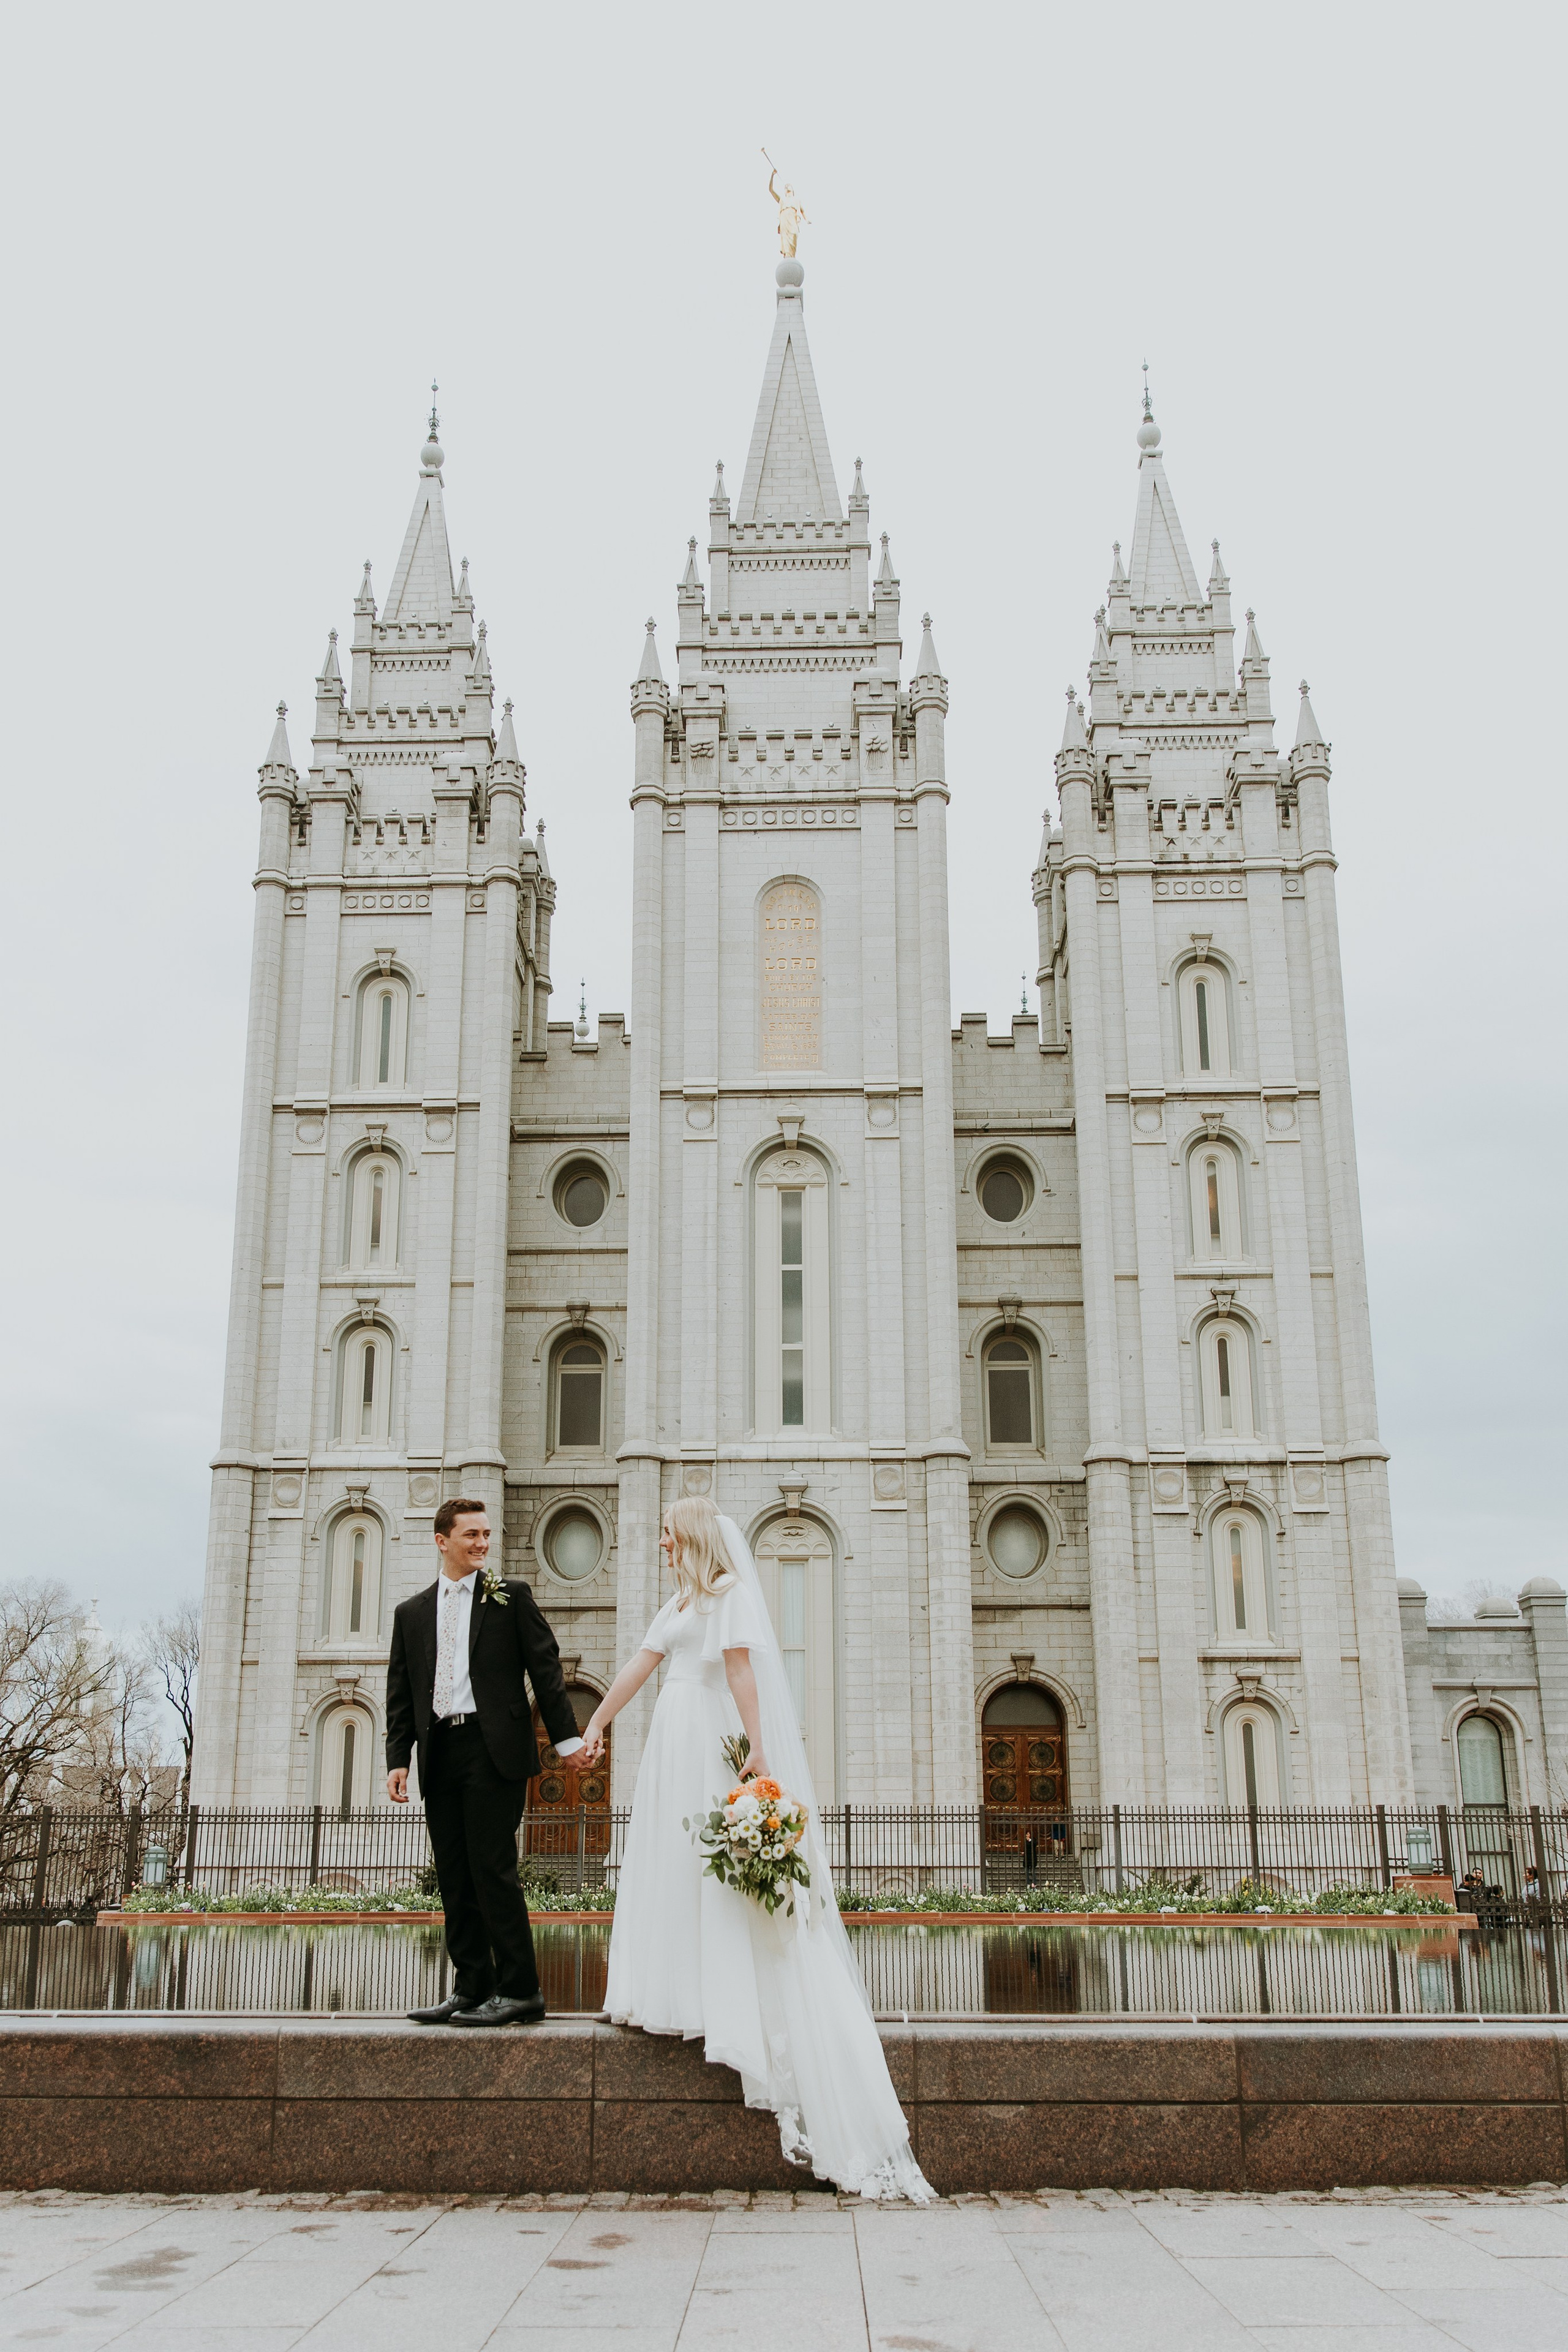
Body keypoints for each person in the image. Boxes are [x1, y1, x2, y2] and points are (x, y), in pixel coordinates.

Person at [576, 1498, 932, 2201]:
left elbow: (741, 1674)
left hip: (708, 1739)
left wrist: (760, 1748)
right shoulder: (677, 1603)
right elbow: (638, 1666)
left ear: (692, 1539)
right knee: (669, 1867)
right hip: (669, 1742)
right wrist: (597, 1725)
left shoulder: (730, 1597)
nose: (660, 1544)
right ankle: (665, 1991)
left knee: (715, 1876)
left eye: (667, 1533)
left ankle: (724, 2001)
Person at [385, 1497, 582, 2027]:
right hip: (439, 1751)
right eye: (470, 1535)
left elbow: (546, 1668)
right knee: (453, 1874)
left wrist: (567, 1742)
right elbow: (402, 1692)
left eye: (485, 1535)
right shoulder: (412, 1613)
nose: (481, 1543)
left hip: (493, 1749)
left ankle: (521, 1990)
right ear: (441, 1541)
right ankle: (470, 1987)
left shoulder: (510, 1598)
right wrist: (398, 1758)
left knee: (493, 1870)